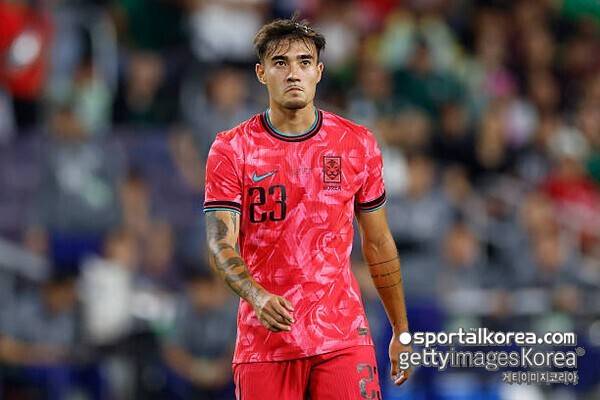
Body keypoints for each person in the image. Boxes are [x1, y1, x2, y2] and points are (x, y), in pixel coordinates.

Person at [204, 15, 411, 400]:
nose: (293, 73)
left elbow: (379, 242)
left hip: (342, 337)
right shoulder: (232, 149)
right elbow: (220, 244)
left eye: (304, 62)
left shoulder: (356, 144)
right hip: (265, 344)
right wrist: (257, 296)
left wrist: (401, 330)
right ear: (261, 73)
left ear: (319, 72)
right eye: (280, 63)